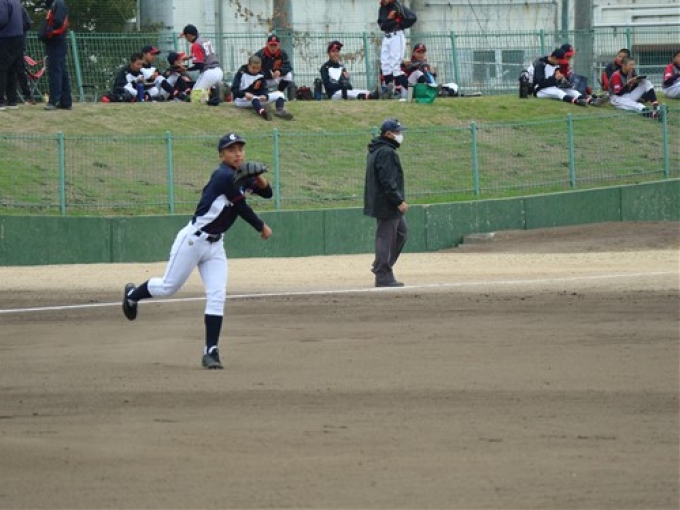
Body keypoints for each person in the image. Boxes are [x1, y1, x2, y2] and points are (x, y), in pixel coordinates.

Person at [122, 132, 274, 370]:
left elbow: (267, 193)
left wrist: (259, 177)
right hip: (193, 241)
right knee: (168, 287)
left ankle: (211, 351)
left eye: (240, 149)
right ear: (222, 155)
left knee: (217, 294)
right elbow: (241, 207)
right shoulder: (223, 176)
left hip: (216, 246)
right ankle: (132, 295)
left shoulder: (241, 175)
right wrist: (261, 226)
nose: (237, 153)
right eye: (231, 149)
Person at [364, 118, 409, 288]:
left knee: (401, 233)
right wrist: (398, 201)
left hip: (383, 200)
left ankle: (381, 267)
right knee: (386, 237)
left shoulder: (378, 150)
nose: (400, 135)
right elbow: (387, 180)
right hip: (387, 202)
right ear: (388, 134)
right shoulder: (386, 152)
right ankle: (382, 273)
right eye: (398, 132)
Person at [231, 55, 293, 120]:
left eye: (258, 68)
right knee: (254, 98)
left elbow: (263, 88)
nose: (255, 70)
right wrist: (245, 94)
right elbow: (234, 89)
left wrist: (264, 95)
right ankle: (263, 113)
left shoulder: (261, 74)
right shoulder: (241, 74)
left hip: (256, 98)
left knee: (280, 94)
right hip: (241, 100)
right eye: (253, 68)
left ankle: (280, 111)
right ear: (248, 65)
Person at [39, 0, 72, 111]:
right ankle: (65, 101)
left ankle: (53, 101)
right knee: (61, 71)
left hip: (56, 41)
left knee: (55, 72)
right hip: (57, 42)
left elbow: (58, 21)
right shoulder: (57, 4)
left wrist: (49, 30)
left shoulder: (58, 4)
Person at [179, 24, 223, 105]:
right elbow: (204, 53)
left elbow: (199, 65)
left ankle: (212, 99)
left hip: (209, 73)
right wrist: (189, 57)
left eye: (185, 36)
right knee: (198, 95)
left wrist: (186, 69)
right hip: (218, 71)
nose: (186, 38)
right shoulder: (204, 40)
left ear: (189, 35)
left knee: (195, 97)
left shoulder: (195, 45)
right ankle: (212, 99)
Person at [377, 0, 409, 100]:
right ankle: (389, 90)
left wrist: (397, 20)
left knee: (395, 65)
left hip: (396, 35)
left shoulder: (396, 5)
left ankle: (404, 90)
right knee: (385, 64)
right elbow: (382, 24)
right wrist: (389, 21)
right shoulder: (382, 8)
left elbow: (409, 18)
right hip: (387, 36)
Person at [0, 0, 24, 111]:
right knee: (12, 69)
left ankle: (0, 101)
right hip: (18, 37)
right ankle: (12, 101)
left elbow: (2, 19)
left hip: (5, 37)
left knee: (2, 69)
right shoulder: (16, 1)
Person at [16, 5, 36, 105]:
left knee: (20, 70)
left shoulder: (21, 9)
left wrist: (15, 27)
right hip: (9, 44)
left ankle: (28, 96)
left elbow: (27, 24)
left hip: (18, 44)